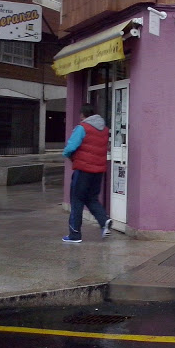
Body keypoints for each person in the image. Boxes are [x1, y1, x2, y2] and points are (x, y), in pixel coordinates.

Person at [62, 103, 112, 243]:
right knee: (91, 198)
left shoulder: (82, 128)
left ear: (83, 115)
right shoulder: (104, 130)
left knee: (77, 200)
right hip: (98, 172)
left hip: (83, 170)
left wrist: (67, 155)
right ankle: (104, 220)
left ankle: (75, 234)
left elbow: (70, 147)